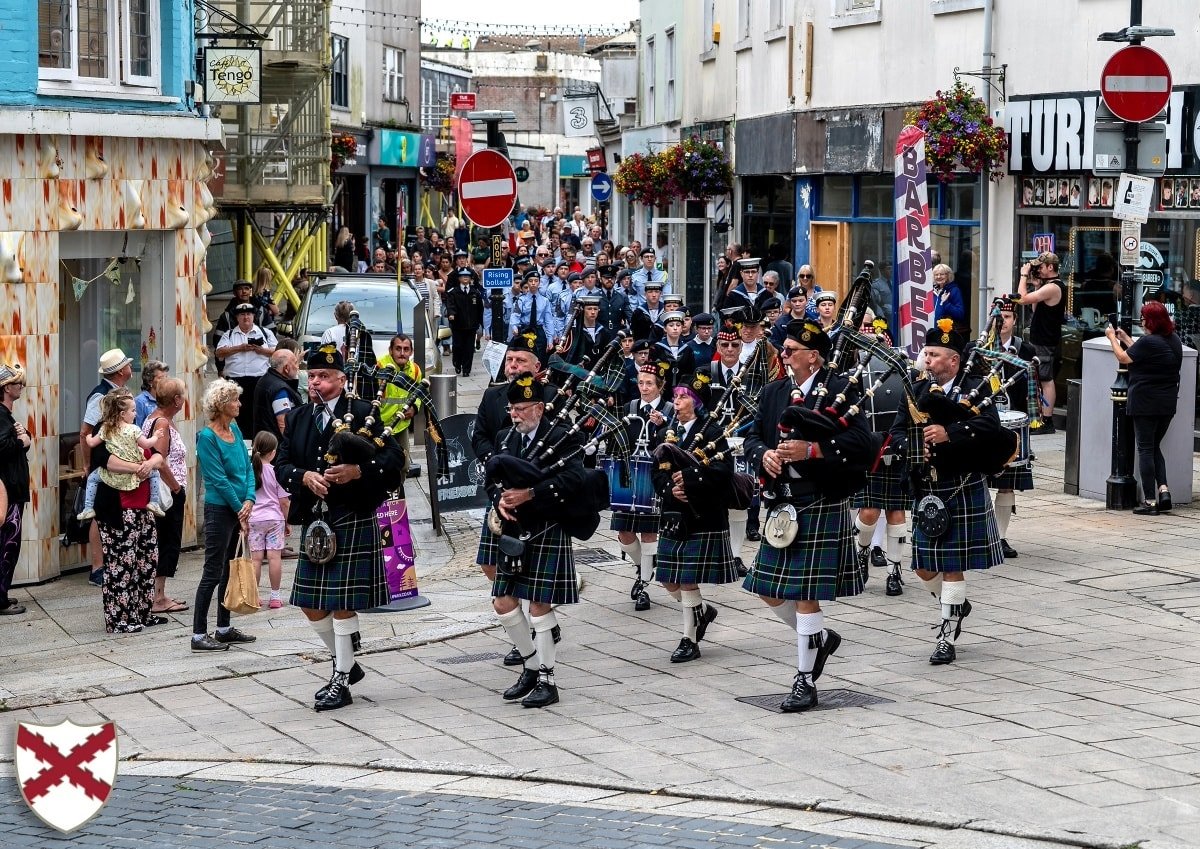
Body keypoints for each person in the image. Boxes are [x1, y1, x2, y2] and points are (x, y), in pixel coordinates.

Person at [743, 320, 874, 711]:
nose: (782, 355)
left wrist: (813, 451)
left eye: (789, 349)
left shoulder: (838, 390)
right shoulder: (774, 391)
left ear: (813, 355)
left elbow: (863, 443)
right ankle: (818, 639)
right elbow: (752, 435)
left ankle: (804, 680)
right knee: (766, 589)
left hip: (820, 499)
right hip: (782, 502)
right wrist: (760, 454)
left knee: (804, 596)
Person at [275, 347, 405, 710]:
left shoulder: (364, 412)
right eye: (311, 375)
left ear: (342, 380)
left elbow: (394, 459)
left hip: (352, 513)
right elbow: (281, 464)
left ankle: (342, 679)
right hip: (317, 520)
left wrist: (358, 471)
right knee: (309, 603)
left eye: (324, 376)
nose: (315, 382)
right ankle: (347, 662)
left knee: (342, 604)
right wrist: (303, 476)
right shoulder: (299, 417)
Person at [889, 322, 1004, 666]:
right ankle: (954, 604)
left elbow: (990, 426)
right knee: (924, 567)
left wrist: (949, 433)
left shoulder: (975, 387)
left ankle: (946, 634)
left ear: (953, 361)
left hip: (961, 485)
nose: (926, 358)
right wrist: (913, 446)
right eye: (926, 352)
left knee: (952, 566)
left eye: (934, 354)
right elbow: (896, 432)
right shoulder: (916, 387)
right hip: (927, 488)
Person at [487, 373, 586, 708]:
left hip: (547, 527)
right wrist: (499, 499)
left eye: (523, 408)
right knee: (502, 602)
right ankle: (530, 664)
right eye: (513, 408)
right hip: (514, 531)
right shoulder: (505, 438)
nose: (516, 414)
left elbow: (575, 479)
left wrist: (531, 493)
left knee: (539, 606)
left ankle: (547, 678)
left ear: (540, 408)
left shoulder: (562, 438)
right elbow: (492, 480)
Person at [652, 373, 738, 663]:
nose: (676, 402)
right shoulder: (667, 432)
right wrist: (670, 490)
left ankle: (689, 639)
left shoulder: (713, 431)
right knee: (667, 579)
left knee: (687, 580)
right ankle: (701, 610)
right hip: (675, 515)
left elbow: (724, 472)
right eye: (675, 396)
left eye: (683, 396)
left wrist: (688, 481)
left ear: (696, 402)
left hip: (703, 514)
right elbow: (656, 471)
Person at [89, 391, 165, 633]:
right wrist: (138, 468)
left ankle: (142, 613)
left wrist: (150, 463)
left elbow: (158, 457)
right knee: (122, 564)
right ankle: (119, 619)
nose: (135, 412)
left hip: (143, 507)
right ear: (118, 410)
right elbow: (105, 461)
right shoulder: (105, 431)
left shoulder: (133, 430)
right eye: (131, 407)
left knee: (147, 560)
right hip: (118, 508)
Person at [192, 379, 257, 653]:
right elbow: (217, 479)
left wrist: (250, 499)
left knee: (230, 569)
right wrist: (239, 509)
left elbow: (248, 467)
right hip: (221, 510)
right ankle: (198, 634)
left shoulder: (235, 428)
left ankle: (223, 628)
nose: (239, 404)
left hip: (238, 507)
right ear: (220, 405)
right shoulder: (207, 437)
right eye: (234, 400)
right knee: (212, 571)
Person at [1106, 301, 1183, 515]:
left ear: (1150, 321)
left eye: (1143, 318)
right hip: (1167, 403)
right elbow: (1143, 353)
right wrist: (1125, 339)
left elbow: (1124, 358)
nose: (1141, 321)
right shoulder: (1173, 340)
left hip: (1145, 403)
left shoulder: (1149, 342)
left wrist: (1113, 338)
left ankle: (1150, 502)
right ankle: (1164, 491)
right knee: (1154, 446)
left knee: (1145, 449)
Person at [615, 362, 672, 611]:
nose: (644, 388)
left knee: (649, 534)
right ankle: (643, 566)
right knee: (623, 532)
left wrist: (662, 427)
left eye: (649, 383)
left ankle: (644, 585)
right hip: (630, 475)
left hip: (653, 476)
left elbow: (675, 443)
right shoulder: (630, 407)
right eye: (640, 383)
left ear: (660, 386)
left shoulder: (669, 409)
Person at [986, 300, 1038, 558]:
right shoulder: (977, 348)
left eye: (1007, 316)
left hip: (1012, 427)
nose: (1002, 321)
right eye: (998, 316)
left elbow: (1031, 390)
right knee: (978, 482)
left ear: (1015, 321)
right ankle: (981, 533)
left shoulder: (1024, 349)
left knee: (1007, 486)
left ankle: (1001, 537)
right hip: (982, 425)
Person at [81, 349, 134, 588]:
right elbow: (85, 432)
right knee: (98, 514)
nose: (130, 368)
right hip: (104, 460)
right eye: (127, 365)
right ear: (122, 371)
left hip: (117, 459)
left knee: (112, 510)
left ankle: (112, 563)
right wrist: (87, 464)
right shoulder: (100, 396)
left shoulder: (118, 393)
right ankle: (97, 567)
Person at [78, 391, 166, 521]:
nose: (136, 413)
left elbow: (91, 442)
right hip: (120, 504)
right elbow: (147, 445)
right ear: (123, 413)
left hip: (117, 481)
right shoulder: (134, 429)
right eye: (133, 410)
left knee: (92, 478)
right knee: (155, 474)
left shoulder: (107, 429)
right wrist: (156, 437)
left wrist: (87, 435)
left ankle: (88, 508)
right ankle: (154, 501)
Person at [142, 377, 190, 614]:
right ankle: (158, 597)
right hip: (168, 493)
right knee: (167, 542)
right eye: (183, 394)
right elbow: (158, 461)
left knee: (164, 540)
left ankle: (158, 594)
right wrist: (176, 488)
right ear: (177, 400)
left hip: (164, 492)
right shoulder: (161, 424)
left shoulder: (157, 419)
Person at [1015, 252, 1066, 433]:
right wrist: (1036, 285)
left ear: (1050, 267)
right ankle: (1040, 417)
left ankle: (1048, 421)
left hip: (1046, 339)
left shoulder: (1054, 287)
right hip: (1040, 337)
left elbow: (1021, 299)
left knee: (1045, 379)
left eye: (1041, 267)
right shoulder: (1048, 286)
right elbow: (1035, 309)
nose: (1038, 270)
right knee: (1039, 378)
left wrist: (1023, 276)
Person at [216, 302, 277, 435]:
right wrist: (239, 348)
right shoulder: (229, 334)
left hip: (259, 381)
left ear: (253, 316)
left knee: (259, 413)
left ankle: (258, 441)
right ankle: (245, 440)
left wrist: (262, 351)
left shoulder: (265, 333)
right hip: (236, 382)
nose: (246, 317)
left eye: (248, 314)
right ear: (237, 318)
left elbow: (278, 353)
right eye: (242, 315)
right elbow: (219, 353)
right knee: (239, 414)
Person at [0, 363, 30, 616]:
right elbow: (3, 447)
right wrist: (22, 440)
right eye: (18, 383)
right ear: (7, 388)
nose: (21, 387)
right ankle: (0, 597)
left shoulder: (5, 415)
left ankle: (2, 593)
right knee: (8, 542)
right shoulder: (1, 415)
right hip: (8, 491)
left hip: (10, 489)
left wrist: (22, 439)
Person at [249, 431, 290, 609]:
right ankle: (275, 596)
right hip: (274, 519)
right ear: (273, 452)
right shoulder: (276, 472)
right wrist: (287, 521)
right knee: (275, 558)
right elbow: (284, 501)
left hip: (254, 519)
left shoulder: (249, 471)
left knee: (255, 559)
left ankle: (254, 596)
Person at [377, 333, 424, 478]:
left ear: (411, 352)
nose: (402, 353)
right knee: (380, 465)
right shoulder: (379, 366)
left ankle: (397, 495)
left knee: (404, 465)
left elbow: (419, 394)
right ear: (390, 350)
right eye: (398, 349)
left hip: (401, 425)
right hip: (381, 424)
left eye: (406, 349)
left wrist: (415, 407)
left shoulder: (415, 370)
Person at [253, 348, 303, 440]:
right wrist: (292, 445)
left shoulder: (265, 379)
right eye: (296, 363)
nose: (298, 367)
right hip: (275, 447)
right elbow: (283, 424)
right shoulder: (280, 390)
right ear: (286, 368)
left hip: (264, 441)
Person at [446, 267, 484, 376]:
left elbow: (480, 309)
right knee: (458, 346)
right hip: (458, 325)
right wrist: (451, 314)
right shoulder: (454, 292)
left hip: (471, 326)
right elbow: (450, 305)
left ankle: (467, 369)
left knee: (469, 348)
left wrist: (481, 323)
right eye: (463, 276)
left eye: (467, 276)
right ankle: (457, 363)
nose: (465, 278)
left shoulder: (475, 292)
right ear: (459, 279)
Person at [134, 360, 169, 428]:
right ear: (150, 381)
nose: (165, 380)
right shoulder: (140, 401)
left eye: (166, 377)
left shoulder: (166, 399)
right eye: (161, 378)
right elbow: (137, 429)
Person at [931, 264, 966, 331]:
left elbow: (960, 314)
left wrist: (946, 303)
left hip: (946, 334)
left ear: (948, 275)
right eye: (936, 274)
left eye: (942, 274)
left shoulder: (954, 290)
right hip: (932, 332)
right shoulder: (931, 291)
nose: (939, 277)